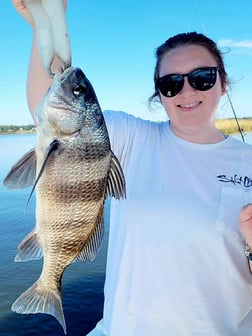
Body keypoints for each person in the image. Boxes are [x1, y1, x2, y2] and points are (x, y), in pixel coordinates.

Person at [11, 1, 252, 335]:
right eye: (171, 83)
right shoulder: (133, 136)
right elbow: (48, 109)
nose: (186, 91)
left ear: (223, 84)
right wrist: (45, 27)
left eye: (202, 78)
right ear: (160, 94)